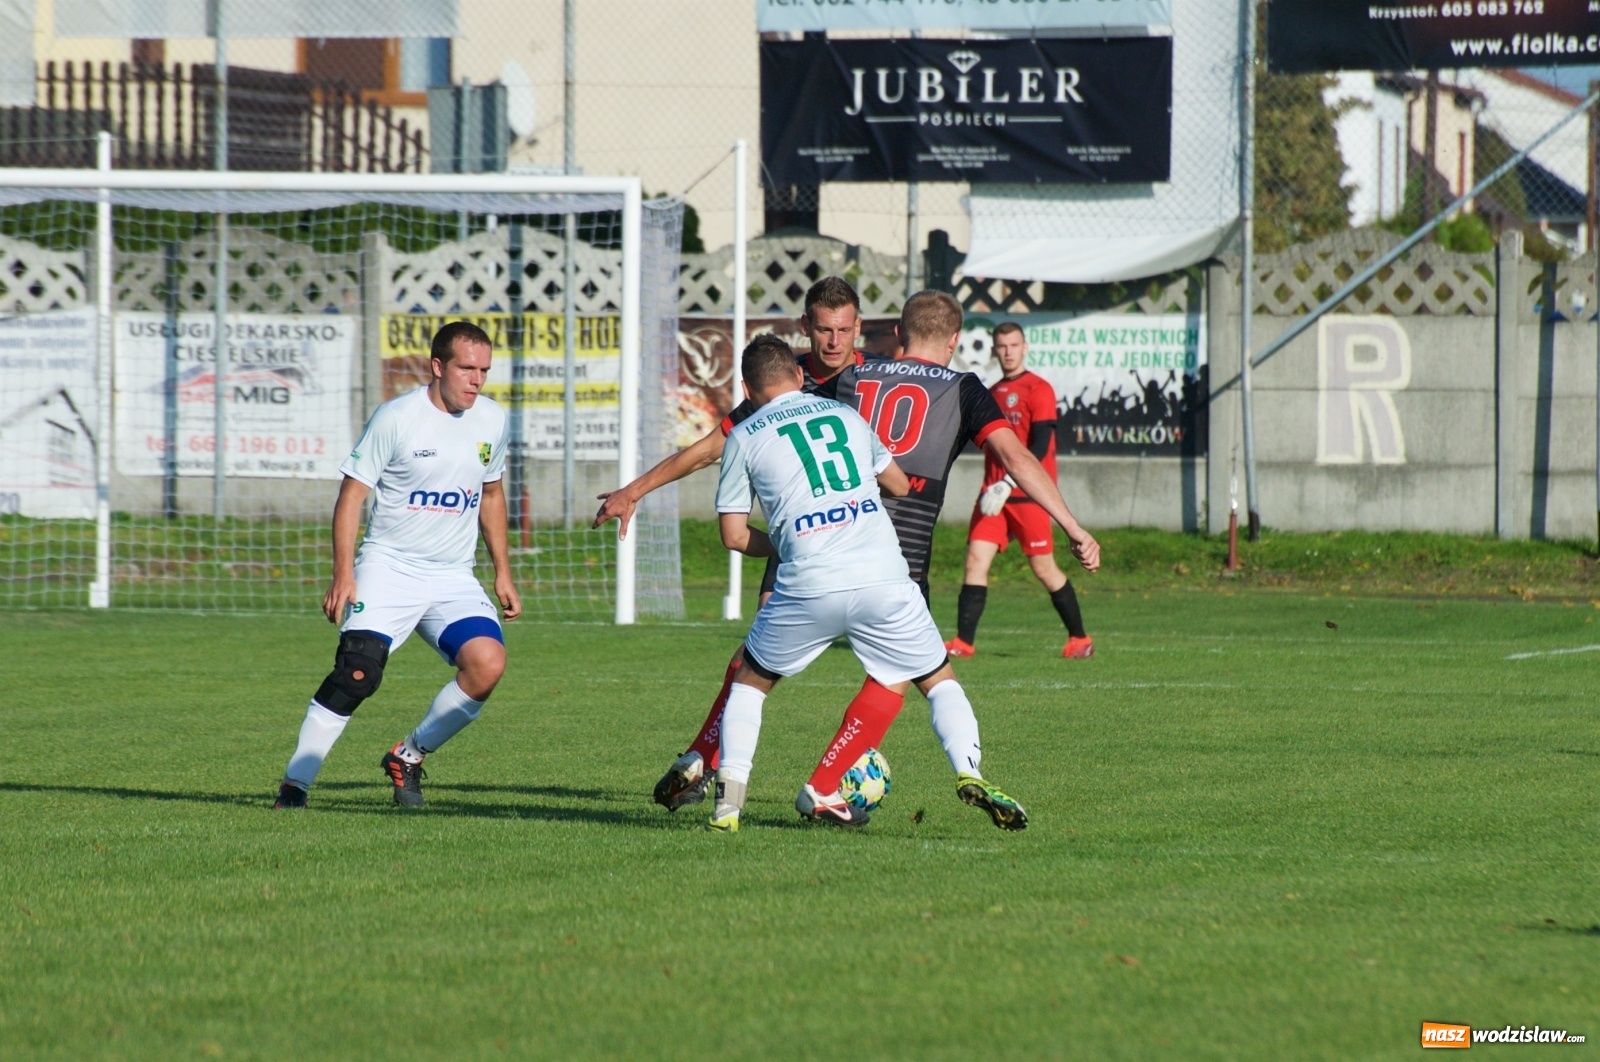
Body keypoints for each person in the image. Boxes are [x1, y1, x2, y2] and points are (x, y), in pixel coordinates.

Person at [600, 287, 1101, 829]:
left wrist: (637, 489)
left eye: (843, 331)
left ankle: (727, 769)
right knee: (903, 674)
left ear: (881, 331)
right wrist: (1070, 523)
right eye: (823, 330)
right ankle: (801, 778)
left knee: (760, 661)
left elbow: (721, 450)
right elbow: (1009, 456)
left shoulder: (851, 381)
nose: (833, 341)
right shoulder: (934, 387)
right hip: (883, 549)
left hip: (814, 536)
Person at [273, 321, 521, 810]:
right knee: (357, 675)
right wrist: (344, 573)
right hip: (389, 568)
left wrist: (502, 571)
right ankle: (295, 786)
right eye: (466, 368)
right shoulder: (396, 417)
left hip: (451, 575)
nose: (477, 380)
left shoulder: (492, 420)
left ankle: (408, 756)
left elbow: (491, 495)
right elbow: (351, 497)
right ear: (437, 366)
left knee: (487, 664)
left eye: (484, 370)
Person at [707, 333, 934, 832]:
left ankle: (727, 802)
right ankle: (829, 784)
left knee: (751, 680)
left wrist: (787, 540)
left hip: (805, 577)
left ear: (747, 388)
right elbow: (898, 485)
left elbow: (733, 535)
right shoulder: (847, 416)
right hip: (875, 570)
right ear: (796, 374)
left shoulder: (743, 435)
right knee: (901, 675)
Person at [947, 322, 1093, 660]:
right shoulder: (991, 391)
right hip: (992, 497)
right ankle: (963, 643)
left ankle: (1079, 639)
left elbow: (1040, 446)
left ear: (1024, 347)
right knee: (974, 561)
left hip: (1028, 496)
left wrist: (1010, 481)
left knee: (1044, 568)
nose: (1008, 351)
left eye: (1014, 345)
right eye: (1002, 346)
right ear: (995, 350)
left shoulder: (1039, 389)